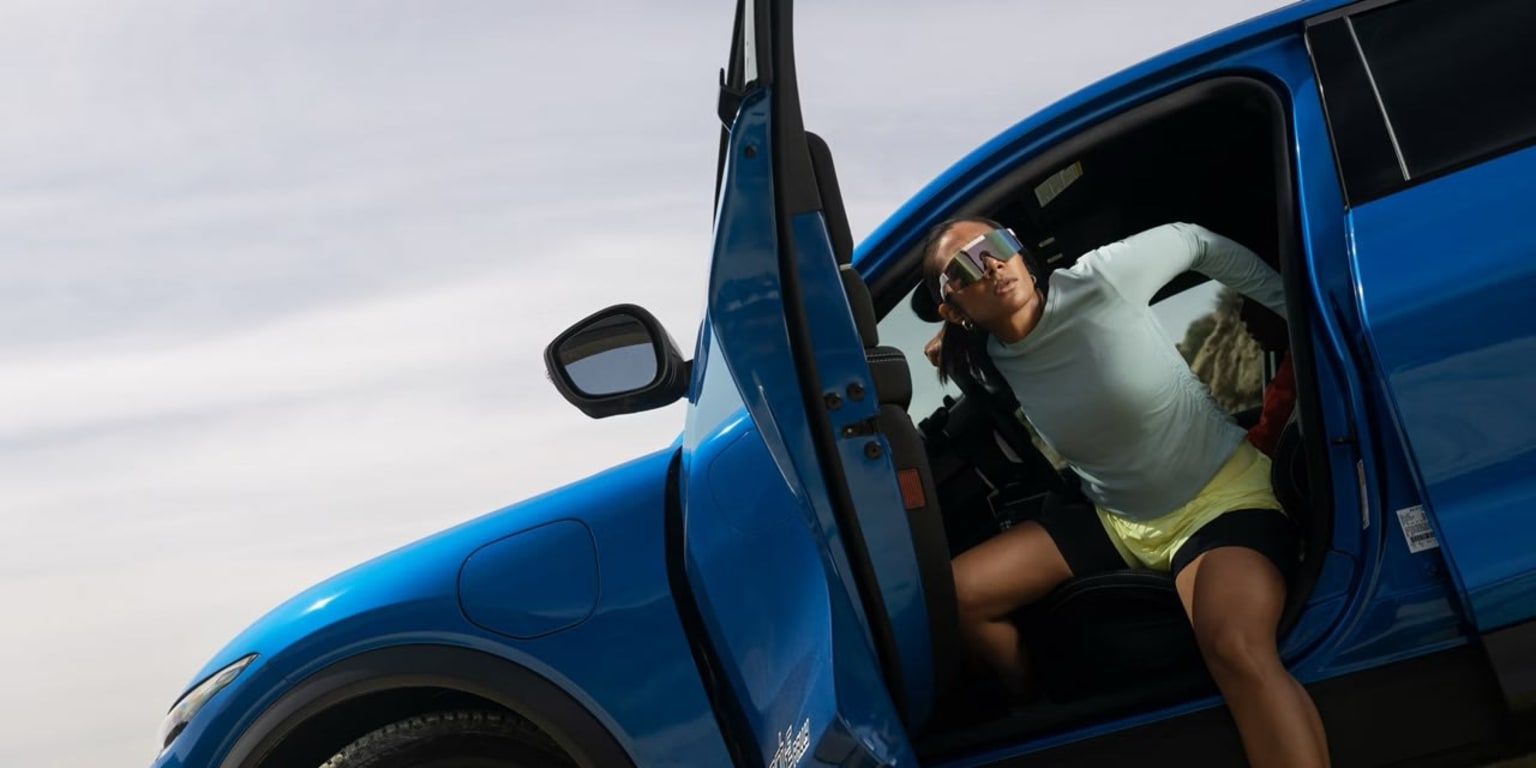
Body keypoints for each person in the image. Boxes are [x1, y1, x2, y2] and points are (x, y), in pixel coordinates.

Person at [923, 218, 1328, 768]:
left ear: (1018, 249)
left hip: (1220, 498)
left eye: (995, 246)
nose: (992, 264)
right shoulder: (989, 353)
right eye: (966, 265)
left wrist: (1301, 315)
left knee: (1235, 648)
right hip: (1118, 519)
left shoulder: (1101, 279)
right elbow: (957, 336)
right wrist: (958, 332)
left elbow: (1194, 239)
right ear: (954, 307)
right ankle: (1030, 711)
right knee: (958, 597)